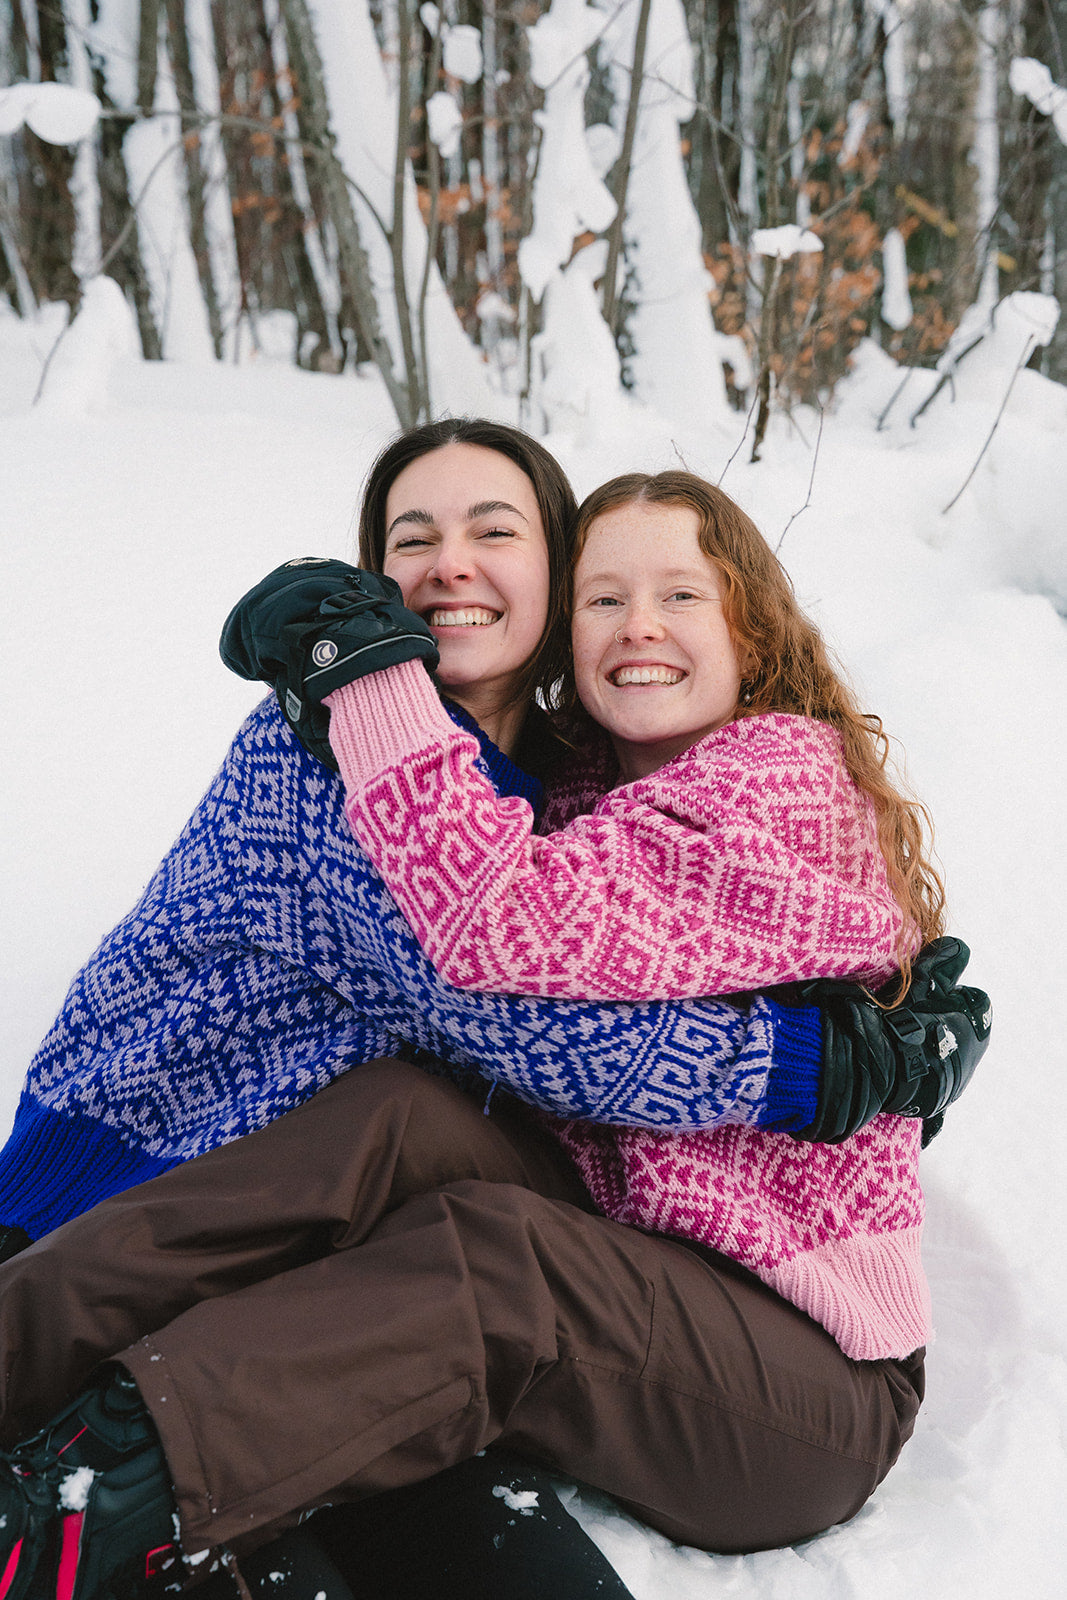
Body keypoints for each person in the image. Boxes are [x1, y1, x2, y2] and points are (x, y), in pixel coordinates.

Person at [0, 431, 988, 1598]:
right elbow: (503, 974)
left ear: (753, 633)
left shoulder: (771, 779)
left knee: (497, 1260)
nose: (638, 627)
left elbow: (500, 943)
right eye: (606, 598)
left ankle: (84, 1494)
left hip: (797, 1375)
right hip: (165, 1175)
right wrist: (815, 1065)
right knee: (401, 1118)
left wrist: (822, 1068)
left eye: (681, 595)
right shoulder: (556, 785)